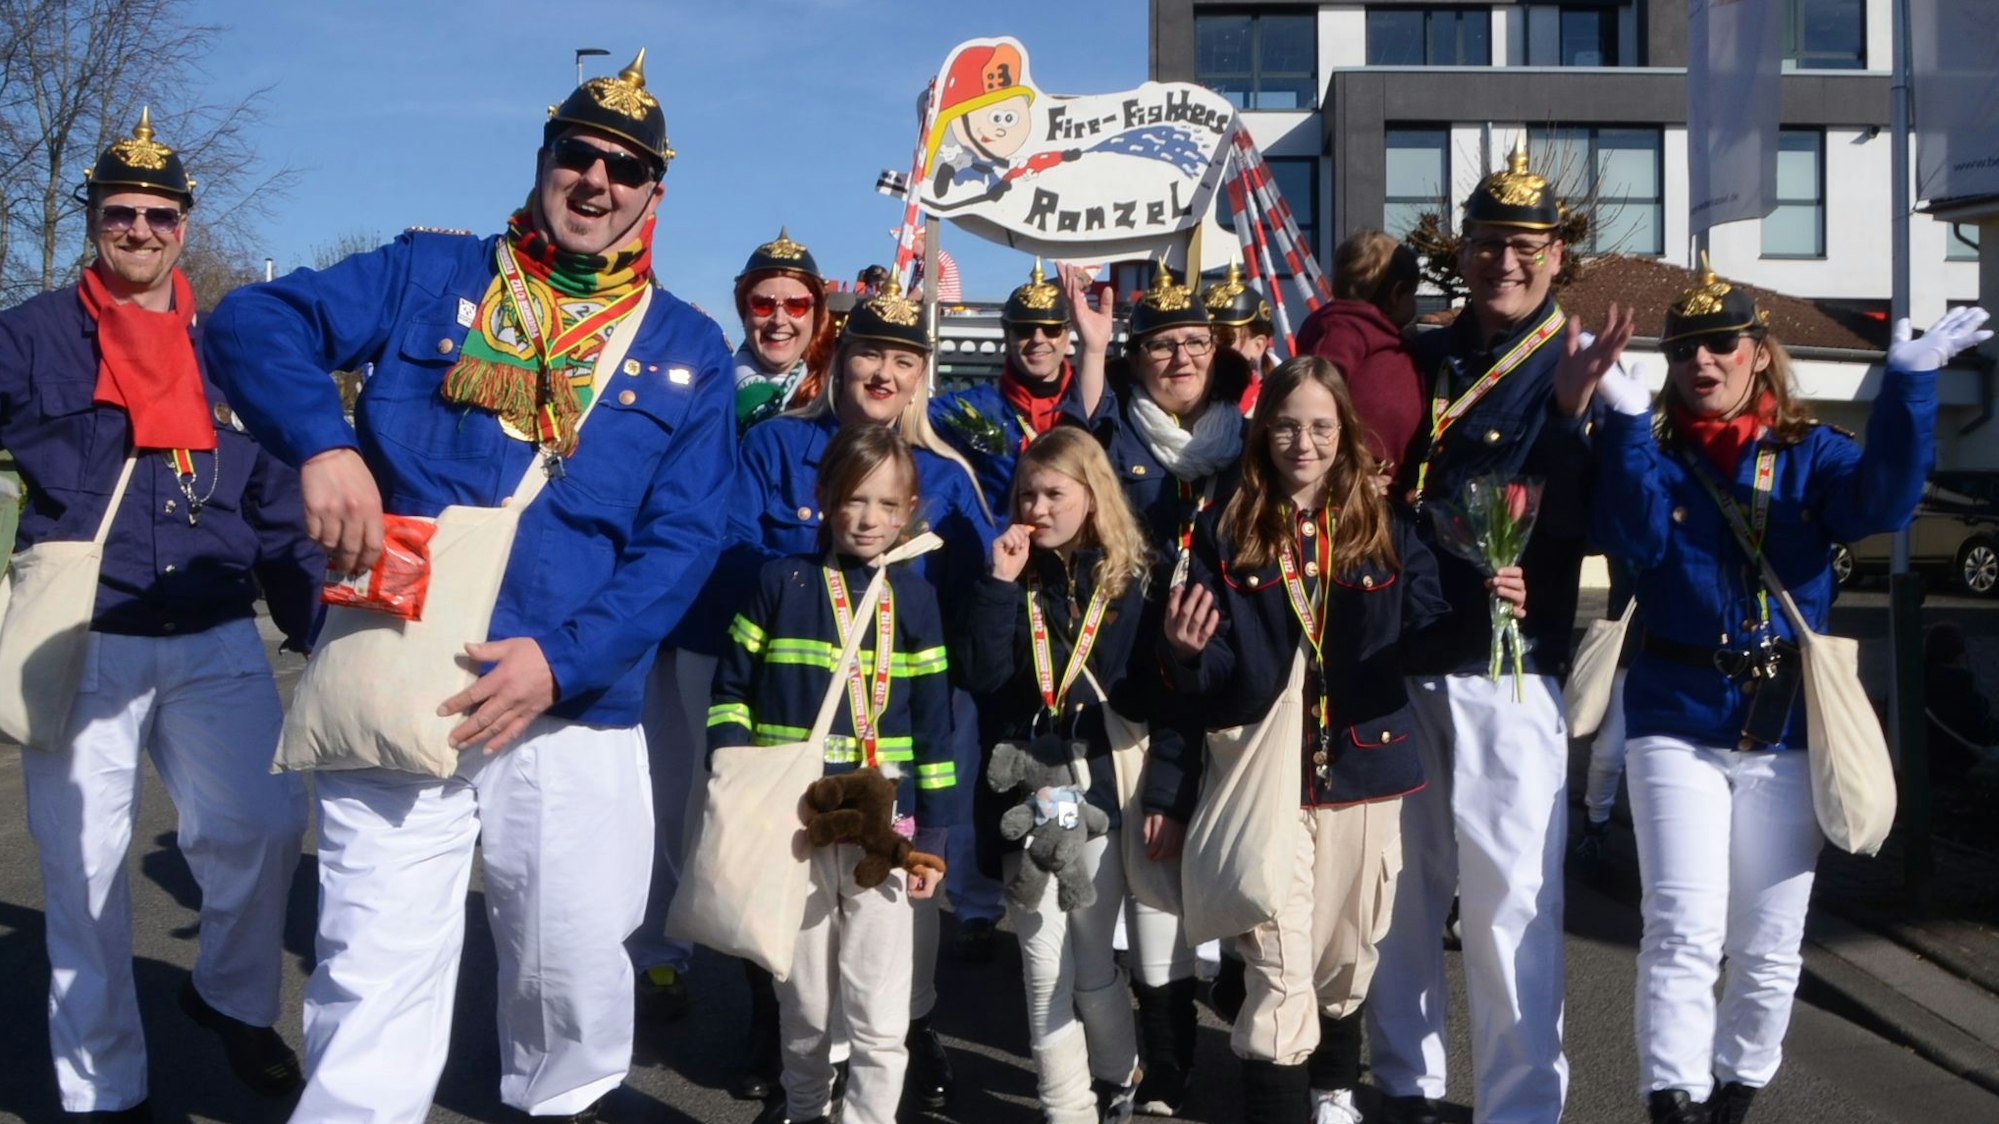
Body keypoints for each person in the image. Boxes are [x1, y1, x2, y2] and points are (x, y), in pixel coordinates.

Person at [203, 52, 735, 1121]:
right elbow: (245, 323)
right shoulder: (426, 271)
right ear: (542, 162)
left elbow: (683, 538)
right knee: (372, 967)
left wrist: (563, 659)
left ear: (652, 196)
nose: (596, 181)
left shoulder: (688, 346)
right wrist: (319, 443)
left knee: (574, 967)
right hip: (399, 661)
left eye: (623, 168)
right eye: (577, 155)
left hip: (571, 700)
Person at [1590, 265, 1985, 1124]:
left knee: (1767, 947)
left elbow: (1881, 504)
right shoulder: (1653, 451)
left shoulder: (1811, 452)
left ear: (1757, 354)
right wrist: (1620, 427)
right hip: (1676, 718)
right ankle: (1674, 1101)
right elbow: (1633, 538)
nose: (1704, 362)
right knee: (1681, 929)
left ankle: (1734, 1093)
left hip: (1784, 727)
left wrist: (1910, 389)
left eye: (1722, 345)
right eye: (1687, 348)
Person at [0, 109, 319, 1122]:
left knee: (262, 828)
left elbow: (272, 502)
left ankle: (226, 996)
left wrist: (321, 624)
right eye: (120, 212)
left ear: (186, 225)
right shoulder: (31, 334)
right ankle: (106, 1091)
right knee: (86, 873)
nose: (140, 230)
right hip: (85, 634)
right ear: (93, 218)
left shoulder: (228, 347)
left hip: (217, 628)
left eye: (159, 215)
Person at [1364, 137, 1634, 1124]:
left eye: (1524, 243)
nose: (1503, 260)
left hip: (1506, 668)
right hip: (1403, 656)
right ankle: (1403, 1081)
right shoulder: (1425, 352)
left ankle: (1519, 1106)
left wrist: (1571, 418)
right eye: (1486, 242)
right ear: (1461, 251)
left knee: (1510, 901)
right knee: (1400, 891)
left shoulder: (1579, 362)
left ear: (1555, 253)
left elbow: (1596, 519)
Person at [1164, 358, 1503, 1124]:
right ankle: (1286, 1097)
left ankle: (1332, 1089)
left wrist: (1486, 606)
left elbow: (1422, 639)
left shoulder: (1385, 530)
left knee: (1346, 956)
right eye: (1285, 426)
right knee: (1281, 969)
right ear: (1262, 433)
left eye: (1319, 426)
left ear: (1344, 433)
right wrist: (1187, 655)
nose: (1302, 443)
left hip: (1365, 766)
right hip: (1263, 771)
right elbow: (1214, 669)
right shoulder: (1224, 528)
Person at [726, 278, 996, 1120]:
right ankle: (785, 1059)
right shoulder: (775, 446)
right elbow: (738, 566)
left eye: (903, 359)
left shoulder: (949, 473)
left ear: (922, 374)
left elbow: (971, 613)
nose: (883, 372)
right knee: (791, 935)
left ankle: (909, 1036)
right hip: (794, 727)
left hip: (898, 741)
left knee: (888, 943)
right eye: (870, 353)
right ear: (837, 358)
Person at [709, 423, 955, 1124]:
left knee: (879, 1016)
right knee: (807, 1007)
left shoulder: (917, 600)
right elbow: (729, 692)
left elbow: (935, 726)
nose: (869, 518)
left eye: (886, 505)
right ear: (821, 499)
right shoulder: (778, 583)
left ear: (908, 511)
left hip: (887, 832)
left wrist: (933, 832)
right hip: (795, 827)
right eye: (854, 500)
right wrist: (733, 779)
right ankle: (804, 1110)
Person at [1067, 261, 1253, 1115]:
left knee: (1244, 857)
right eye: (1162, 346)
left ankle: (1259, 1015)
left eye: (1194, 342)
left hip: (1236, 680)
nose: (1179, 357)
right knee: (1154, 870)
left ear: (1216, 351)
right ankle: (1170, 1061)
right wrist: (1093, 349)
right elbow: (1068, 464)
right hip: (1142, 680)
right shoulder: (1119, 433)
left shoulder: (1250, 439)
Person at [956, 427, 1176, 1124]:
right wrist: (998, 586)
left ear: (1091, 495)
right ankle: (1066, 1106)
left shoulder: (1136, 577)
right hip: (1025, 783)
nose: (1038, 508)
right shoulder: (1008, 575)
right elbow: (983, 679)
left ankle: (1118, 1072)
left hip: (1102, 786)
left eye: (1055, 493)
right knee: (1039, 955)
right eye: (1026, 494)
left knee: (1088, 955)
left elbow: (1154, 694)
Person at [932, 259, 1110, 515]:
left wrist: (1095, 350)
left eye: (1050, 330)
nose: (1038, 339)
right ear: (1008, 335)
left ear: (1066, 335)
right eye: (1025, 330)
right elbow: (903, 417)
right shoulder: (974, 408)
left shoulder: (1094, 403)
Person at [1295, 230, 1426, 484]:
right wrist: (1348, 468)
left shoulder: (1381, 335)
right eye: (1414, 294)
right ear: (1397, 294)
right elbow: (1314, 394)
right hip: (1351, 483)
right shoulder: (1343, 328)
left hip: (1390, 485)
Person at [734, 228, 837, 434]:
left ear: (816, 314)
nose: (779, 320)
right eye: (763, 304)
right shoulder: (711, 391)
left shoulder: (837, 397)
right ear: (744, 311)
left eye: (796, 305)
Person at [1925, 622, 1999, 787]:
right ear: (1960, 657)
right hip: (1960, 773)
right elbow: (1986, 736)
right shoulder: (1970, 700)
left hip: (1929, 770)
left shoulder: (1913, 691)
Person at [1203, 261, 1277, 412]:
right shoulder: (1183, 402)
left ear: (1258, 346)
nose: (1212, 347)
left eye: (1225, 338)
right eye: (1202, 338)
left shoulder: (1273, 408)